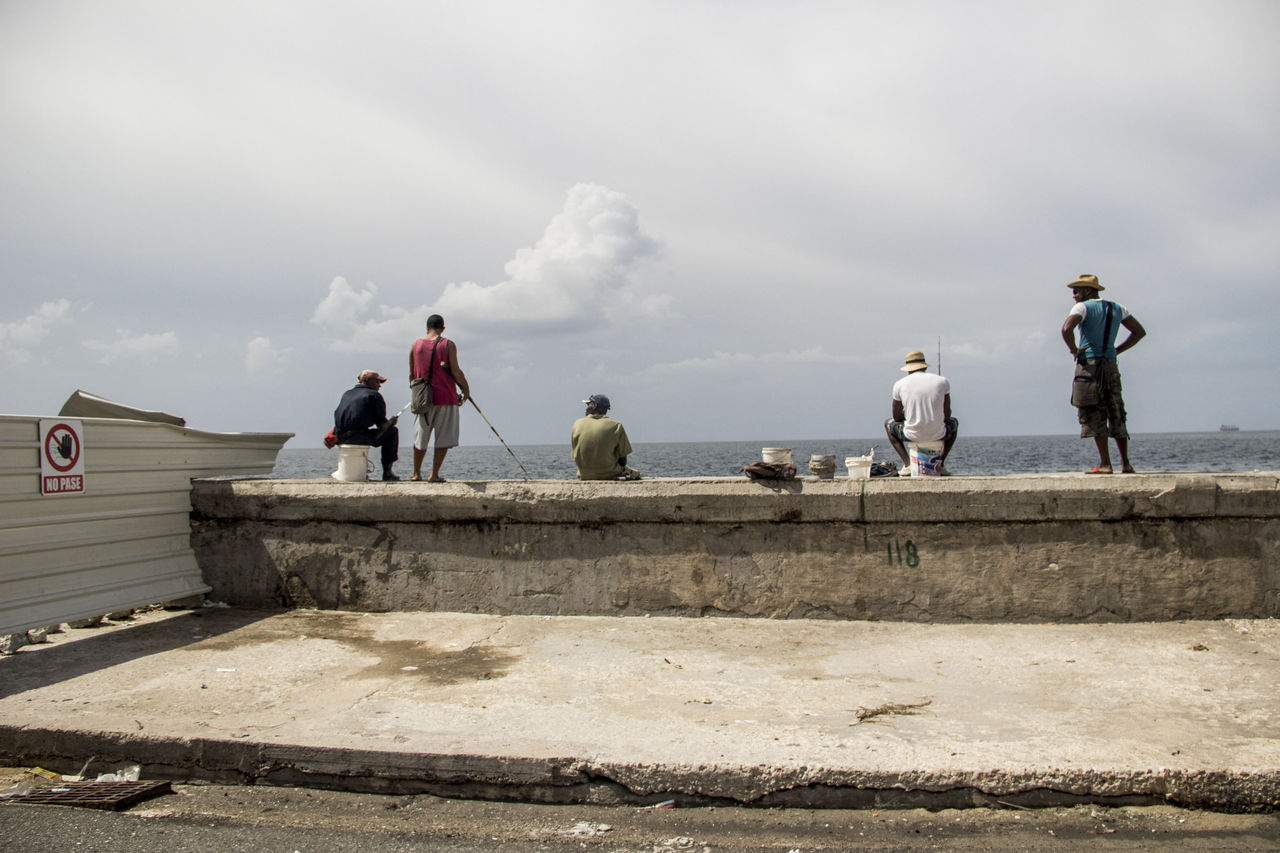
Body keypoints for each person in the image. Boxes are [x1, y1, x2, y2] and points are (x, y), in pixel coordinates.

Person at [1061, 273, 1146, 474]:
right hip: (1110, 363)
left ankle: (1105, 463)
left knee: (1093, 409)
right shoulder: (1118, 308)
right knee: (1115, 409)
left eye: (1076, 291)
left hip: (1089, 365)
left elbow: (1066, 329)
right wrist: (1117, 350)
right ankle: (1126, 463)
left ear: (1088, 291)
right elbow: (1139, 332)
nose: (1073, 295)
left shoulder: (1082, 307)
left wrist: (1074, 350)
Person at [409, 314, 471, 482]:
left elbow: (412, 375)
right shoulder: (448, 344)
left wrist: (416, 395)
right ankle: (434, 474)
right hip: (445, 397)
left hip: (423, 399)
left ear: (427, 327)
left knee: (420, 438)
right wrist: (466, 390)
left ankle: (416, 473)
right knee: (443, 438)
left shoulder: (416, 345)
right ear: (443, 328)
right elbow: (456, 371)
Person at [884, 349, 958, 476]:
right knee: (954, 422)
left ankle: (907, 464)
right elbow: (947, 415)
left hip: (911, 434)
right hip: (939, 433)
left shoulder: (899, 385)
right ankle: (940, 464)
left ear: (908, 368)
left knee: (887, 423)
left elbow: (896, 417)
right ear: (924, 366)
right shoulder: (942, 381)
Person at [333, 370, 400, 481]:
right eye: (377, 381)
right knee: (392, 431)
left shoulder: (347, 393)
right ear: (367, 381)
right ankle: (387, 473)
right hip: (358, 437)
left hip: (340, 437)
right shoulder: (374, 395)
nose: (379, 385)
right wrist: (391, 422)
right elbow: (382, 426)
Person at [571, 394, 642, 480]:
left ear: (594, 406)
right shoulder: (616, 426)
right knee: (637, 474)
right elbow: (623, 461)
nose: (586, 408)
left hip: (583, 475)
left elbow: (575, 453)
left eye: (588, 404)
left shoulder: (577, 424)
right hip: (609, 474)